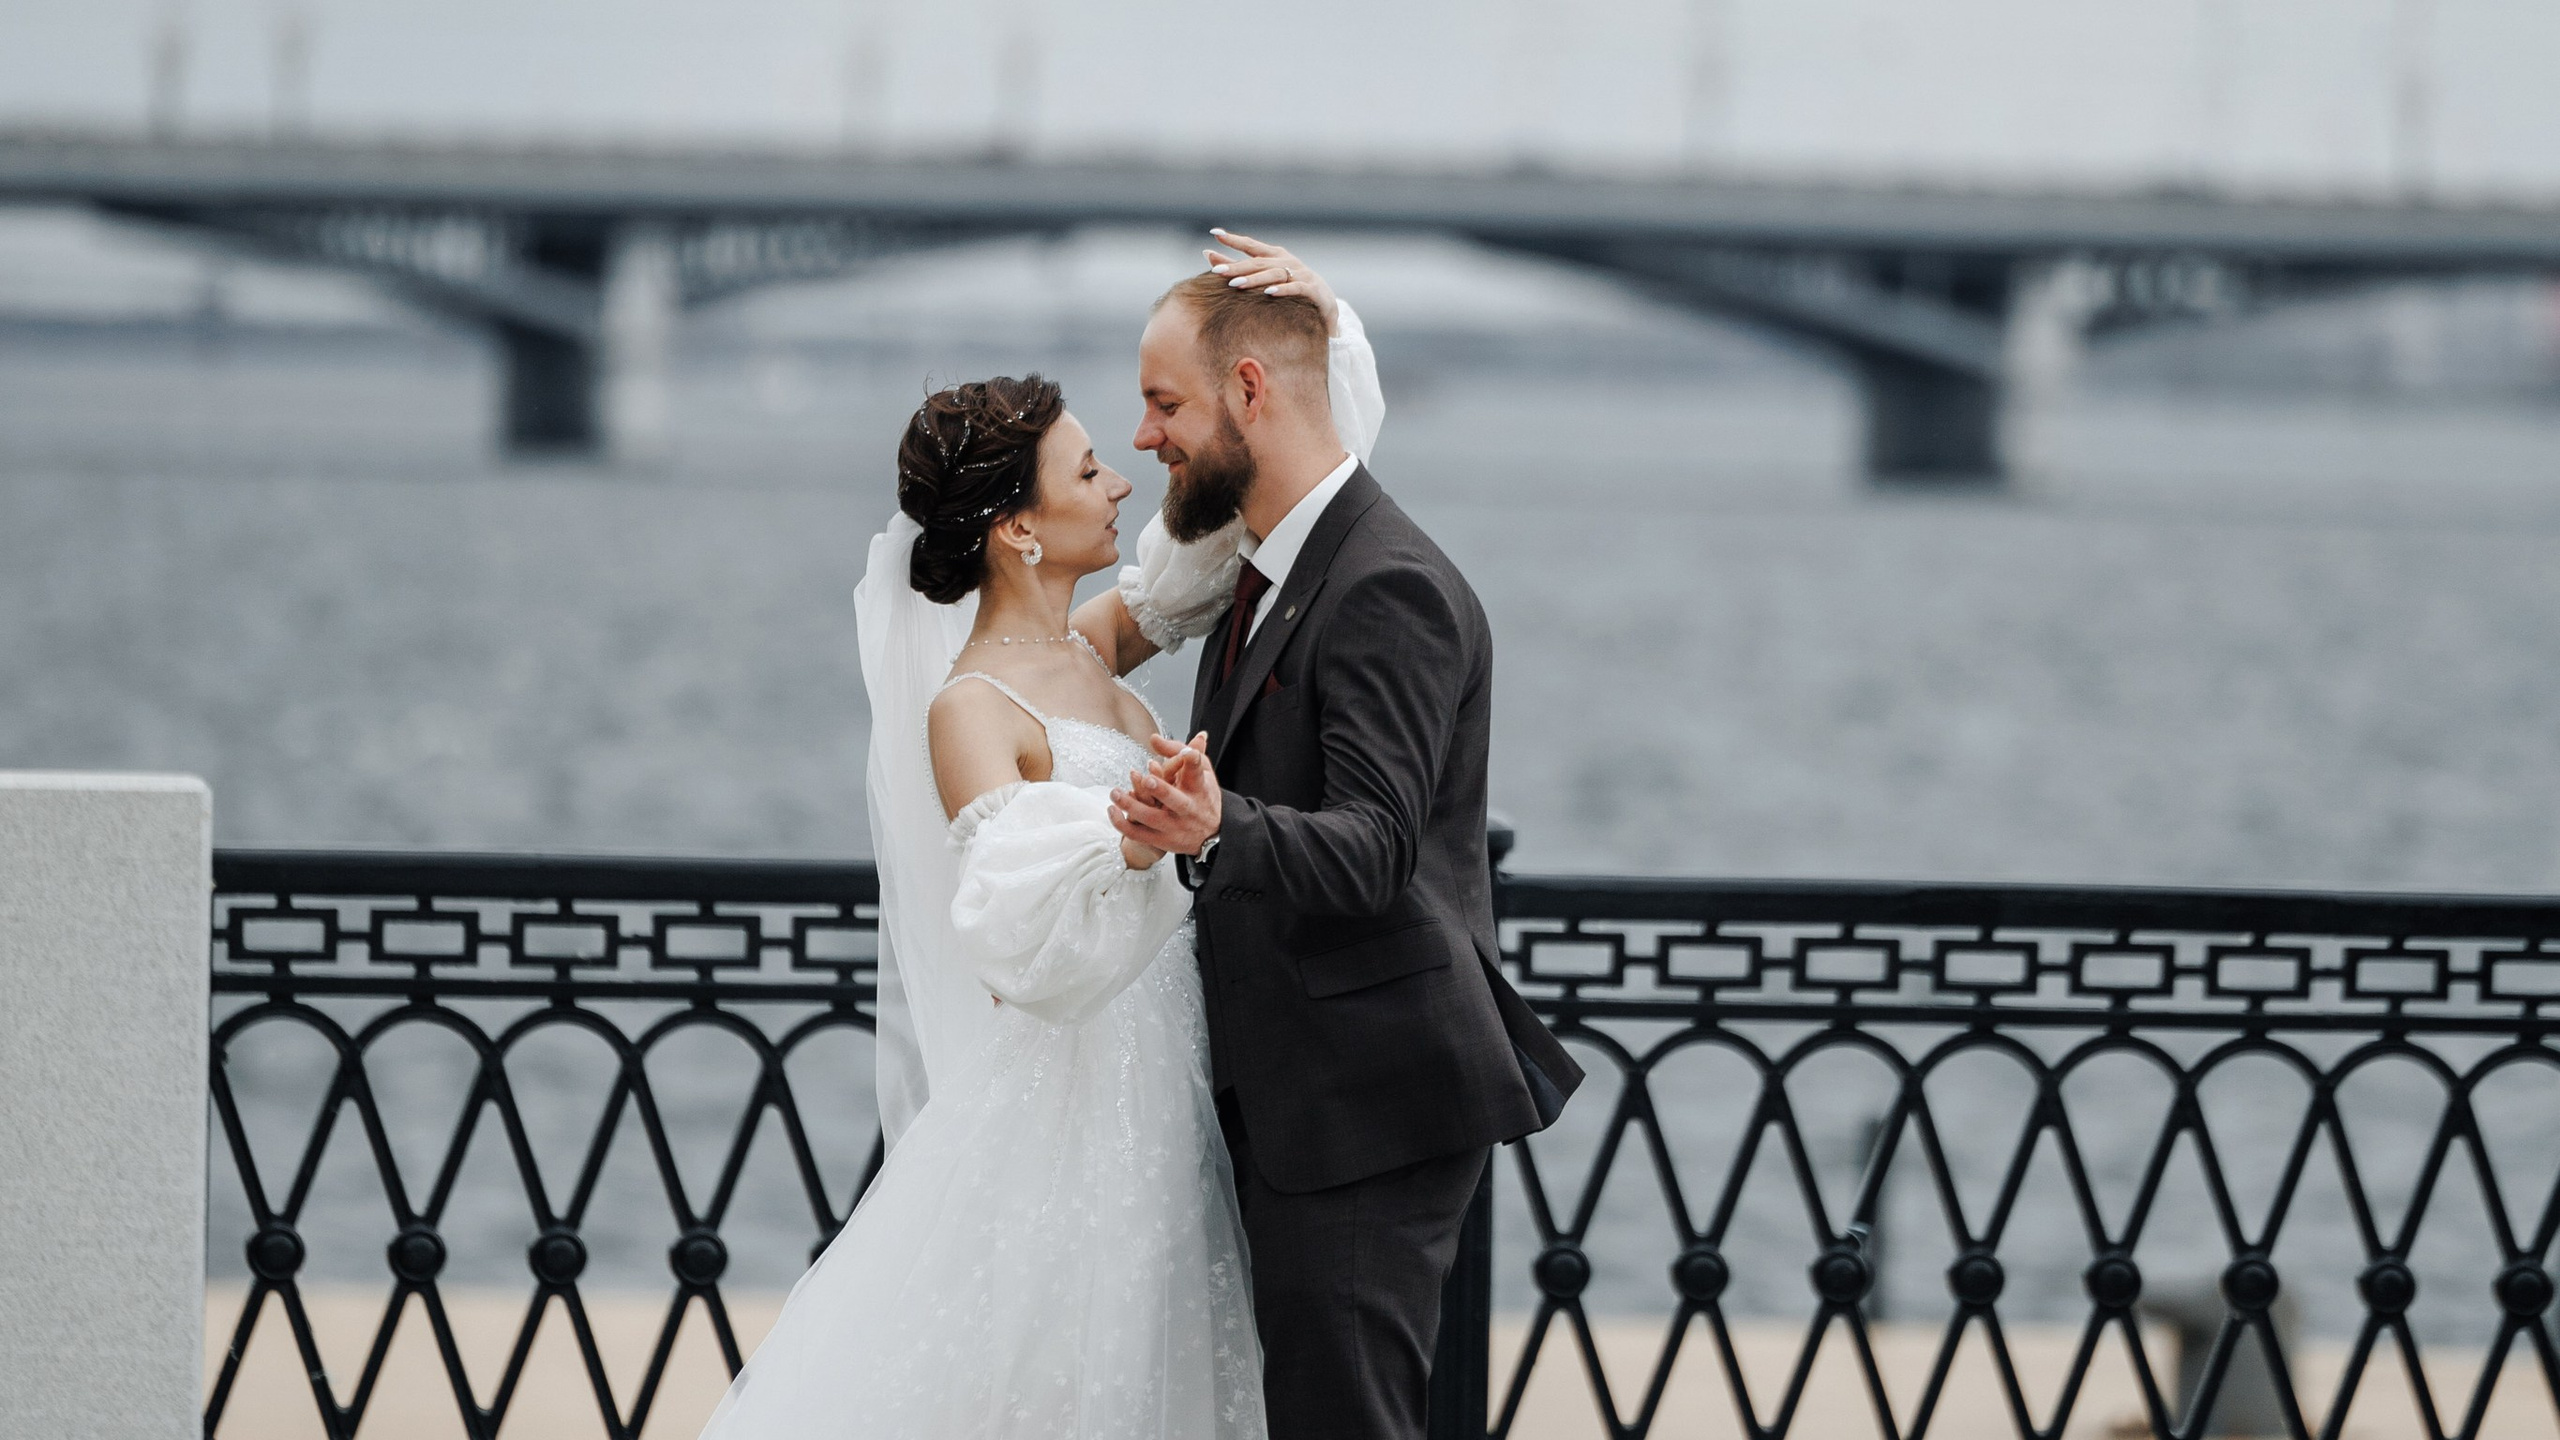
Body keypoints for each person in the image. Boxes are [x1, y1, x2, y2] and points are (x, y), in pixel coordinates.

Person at [694, 236, 1382, 1440]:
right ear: (1019, 529)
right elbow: (1009, 935)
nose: (1123, 478)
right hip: (1077, 1113)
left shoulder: (1095, 648)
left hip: (1169, 1083)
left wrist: (1324, 329)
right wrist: (1130, 844)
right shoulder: (971, 708)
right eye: (1085, 470)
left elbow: (1288, 498)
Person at [1106, 247, 1586, 1440]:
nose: (1145, 437)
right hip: (1296, 1093)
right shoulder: (1264, 568)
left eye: (1166, 404)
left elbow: (1376, 849)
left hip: (1365, 1105)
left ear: (1251, 391)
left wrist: (1216, 827)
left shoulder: (1386, 585)